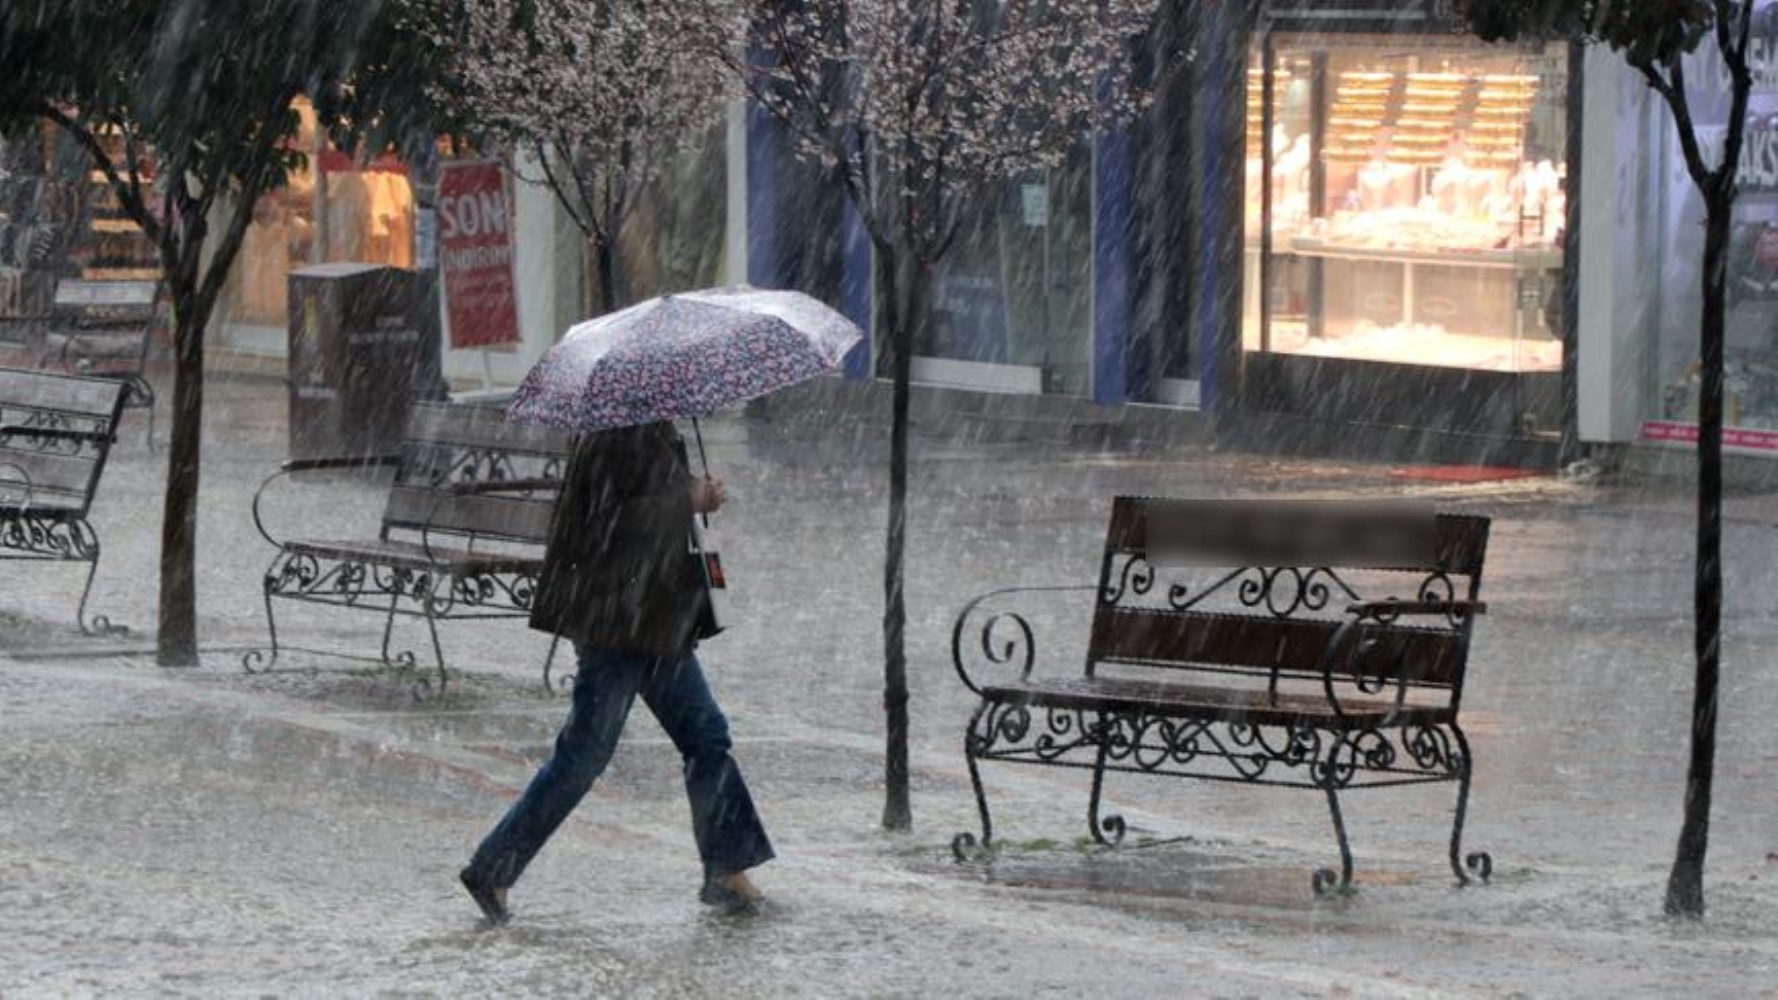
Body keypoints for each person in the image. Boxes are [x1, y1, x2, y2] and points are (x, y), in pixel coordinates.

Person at [459, 420, 773, 926]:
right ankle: (492, 867)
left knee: (706, 737)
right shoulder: (615, 431)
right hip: (618, 624)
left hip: (654, 622)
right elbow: (611, 521)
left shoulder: (646, 425)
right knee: (584, 756)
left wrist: (693, 496)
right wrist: (688, 498)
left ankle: (727, 871)